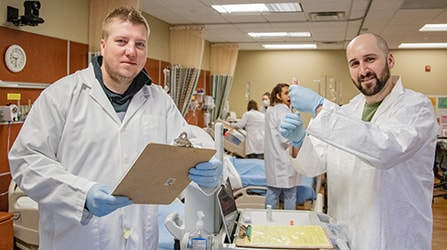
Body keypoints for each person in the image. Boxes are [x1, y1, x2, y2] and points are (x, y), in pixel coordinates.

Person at [8, 6, 221, 250]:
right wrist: (82, 195)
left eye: (140, 44)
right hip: (77, 239)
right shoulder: (61, 96)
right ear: (103, 45)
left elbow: (184, 145)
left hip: (140, 239)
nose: (131, 51)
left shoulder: (159, 100)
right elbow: (26, 161)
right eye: (122, 41)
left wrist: (205, 165)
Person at [280, 33, 438, 250]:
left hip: (395, 236)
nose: (363, 71)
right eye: (355, 63)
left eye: (370, 59)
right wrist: (299, 140)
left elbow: (384, 150)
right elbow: (314, 165)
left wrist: (320, 108)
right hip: (347, 235)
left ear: (390, 60)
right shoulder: (348, 112)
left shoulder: (416, 108)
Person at [264, 83, 301, 210]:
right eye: (286, 93)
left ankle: (267, 221)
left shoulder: (271, 110)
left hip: (274, 158)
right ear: (278, 96)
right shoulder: (283, 111)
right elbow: (285, 138)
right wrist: (299, 137)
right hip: (283, 159)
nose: (289, 96)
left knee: (273, 191)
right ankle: (289, 224)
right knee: (290, 194)